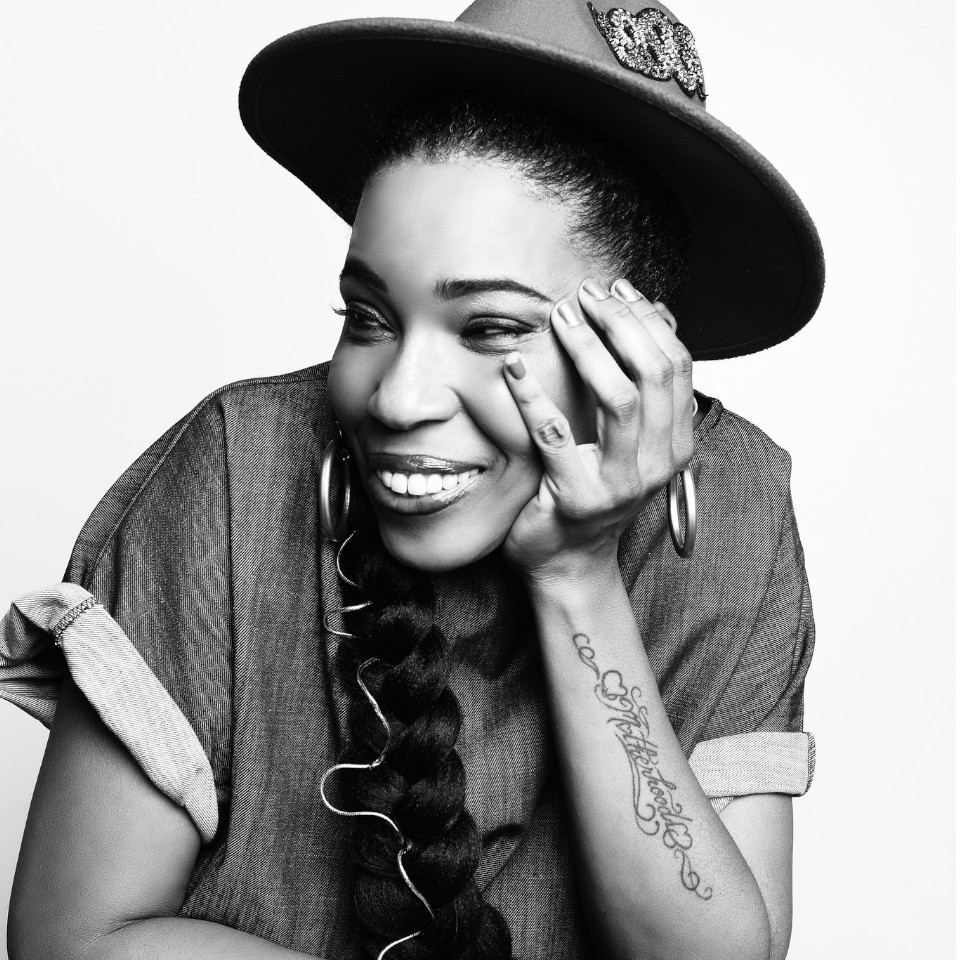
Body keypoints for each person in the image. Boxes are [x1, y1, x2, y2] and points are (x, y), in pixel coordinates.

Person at [2, 1, 822, 959]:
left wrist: (576, 576)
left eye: (491, 329)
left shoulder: (735, 505)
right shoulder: (238, 465)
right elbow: (72, 937)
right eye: (368, 317)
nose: (397, 398)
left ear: (639, 348)